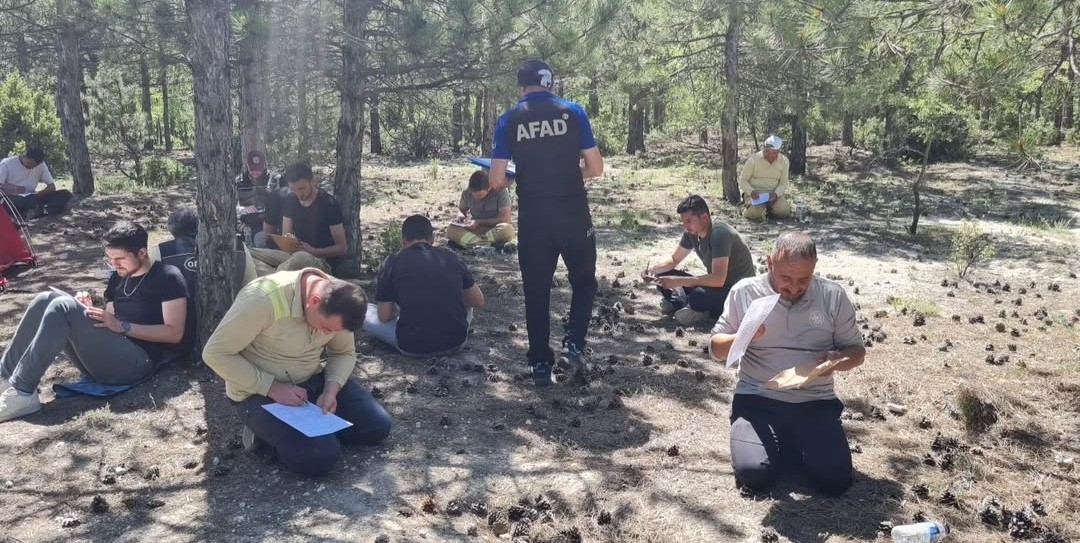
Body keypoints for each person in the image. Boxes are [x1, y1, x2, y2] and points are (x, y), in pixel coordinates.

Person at [709, 232, 865, 495]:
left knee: (834, 480)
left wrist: (837, 360)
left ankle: (793, 443)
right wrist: (742, 337)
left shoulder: (832, 296)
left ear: (815, 268)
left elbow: (857, 352)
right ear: (769, 263)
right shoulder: (745, 292)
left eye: (803, 280)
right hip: (757, 398)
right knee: (754, 476)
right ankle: (775, 443)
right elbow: (715, 348)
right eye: (786, 279)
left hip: (814, 401)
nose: (793, 288)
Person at [201, 268, 391, 476]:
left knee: (377, 426)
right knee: (319, 458)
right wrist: (272, 388)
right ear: (315, 300)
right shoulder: (262, 299)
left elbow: (343, 353)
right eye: (325, 328)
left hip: (312, 381)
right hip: (259, 393)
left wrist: (331, 391)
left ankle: (318, 435)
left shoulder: (342, 297)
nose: (328, 334)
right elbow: (215, 353)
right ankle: (263, 438)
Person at [488, 59, 604, 387]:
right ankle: (573, 346)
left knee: (536, 290)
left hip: (535, 218)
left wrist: (521, 174)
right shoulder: (573, 112)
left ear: (521, 86)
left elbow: (497, 178)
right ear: (549, 83)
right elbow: (595, 169)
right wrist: (570, 173)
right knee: (583, 283)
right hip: (574, 213)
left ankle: (540, 364)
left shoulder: (509, 119)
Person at [0, 221, 188, 422]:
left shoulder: (167, 277)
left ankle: (23, 393)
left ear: (142, 253)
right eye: (110, 259)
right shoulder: (118, 278)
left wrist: (122, 327)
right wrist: (86, 311)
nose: (114, 265)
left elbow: (174, 333)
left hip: (137, 363)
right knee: (46, 299)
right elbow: (110, 320)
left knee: (63, 306)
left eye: (120, 259)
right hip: (110, 354)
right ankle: (4, 378)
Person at [364, 215, 485, 357]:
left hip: (411, 345)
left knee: (363, 309)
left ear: (404, 242)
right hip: (456, 342)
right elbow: (478, 301)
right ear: (432, 239)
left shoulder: (392, 262)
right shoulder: (451, 257)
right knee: (467, 294)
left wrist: (398, 309)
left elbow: (384, 316)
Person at [151, 208, 258, 353]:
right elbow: (252, 286)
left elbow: (150, 293)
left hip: (179, 334)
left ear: (172, 232)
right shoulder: (238, 246)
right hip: (228, 330)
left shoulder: (162, 251)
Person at [643, 195, 756, 326]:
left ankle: (697, 310)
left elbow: (718, 279)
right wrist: (652, 271)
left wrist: (678, 281)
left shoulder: (719, 234)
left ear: (704, 217)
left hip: (737, 293)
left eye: (689, 221)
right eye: (683, 222)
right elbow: (674, 259)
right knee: (663, 275)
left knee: (698, 296)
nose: (685, 226)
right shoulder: (691, 233)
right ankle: (684, 305)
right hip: (716, 288)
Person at [248, 163, 345, 275]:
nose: (298, 194)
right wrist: (288, 241)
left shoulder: (329, 204)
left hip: (318, 259)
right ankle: (278, 277)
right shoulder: (291, 199)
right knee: (250, 253)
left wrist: (313, 251)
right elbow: (286, 235)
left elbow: (341, 248)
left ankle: (275, 277)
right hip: (292, 255)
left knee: (300, 258)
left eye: (302, 188)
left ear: (313, 181)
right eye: (293, 189)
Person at [446, 170, 516, 249]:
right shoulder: (466, 193)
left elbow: (505, 219)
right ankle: (487, 246)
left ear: (489, 188)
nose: (476, 197)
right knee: (450, 229)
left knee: (507, 229)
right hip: (474, 230)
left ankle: (471, 244)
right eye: (473, 194)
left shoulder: (500, 192)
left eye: (479, 195)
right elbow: (462, 209)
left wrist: (479, 222)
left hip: (493, 230)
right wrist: (460, 216)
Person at [0, 147, 73, 220]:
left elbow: (52, 187)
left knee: (66, 194)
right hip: (13, 198)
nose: (31, 167)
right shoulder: (6, 164)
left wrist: (38, 195)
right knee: (10, 203)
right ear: (24, 156)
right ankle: (40, 210)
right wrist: (12, 190)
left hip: (33, 196)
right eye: (29, 163)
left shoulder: (41, 165)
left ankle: (35, 210)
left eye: (34, 166)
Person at [739, 135, 793, 220]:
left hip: (773, 193)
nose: (770, 155)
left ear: (778, 151)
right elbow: (743, 180)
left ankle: (769, 210)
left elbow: (783, 182)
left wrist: (776, 194)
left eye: (774, 153)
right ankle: (744, 207)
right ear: (764, 149)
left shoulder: (784, 161)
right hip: (755, 194)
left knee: (783, 212)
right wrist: (751, 191)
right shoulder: (754, 159)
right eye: (768, 152)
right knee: (755, 214)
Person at [235, 150, 281, 245]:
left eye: (258, 169)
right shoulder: (239, 181)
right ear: (247, 166)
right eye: (252, 169)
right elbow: (231, 208)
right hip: (247, 222)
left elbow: (284, 202)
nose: (255, 172)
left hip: (271, 221)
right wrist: (243, 209)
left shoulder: (275, 180)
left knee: (262, 240)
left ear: (264, 166)